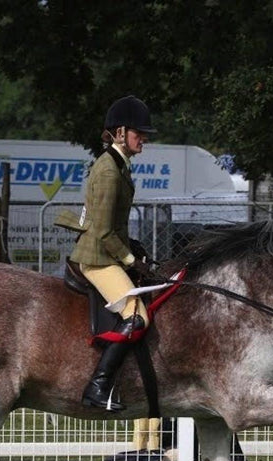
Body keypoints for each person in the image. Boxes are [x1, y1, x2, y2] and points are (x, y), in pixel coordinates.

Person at [67, 95, 157, 411]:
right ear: (119, 132)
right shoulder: (107, 171)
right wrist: (132, 262)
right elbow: (103, 232)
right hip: (97, 258)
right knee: (137, 316)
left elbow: (114, 225)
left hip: (108, 252)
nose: (143, 138)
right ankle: (98, 387)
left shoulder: (119, 165)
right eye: (138, 133)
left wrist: (134, 247)